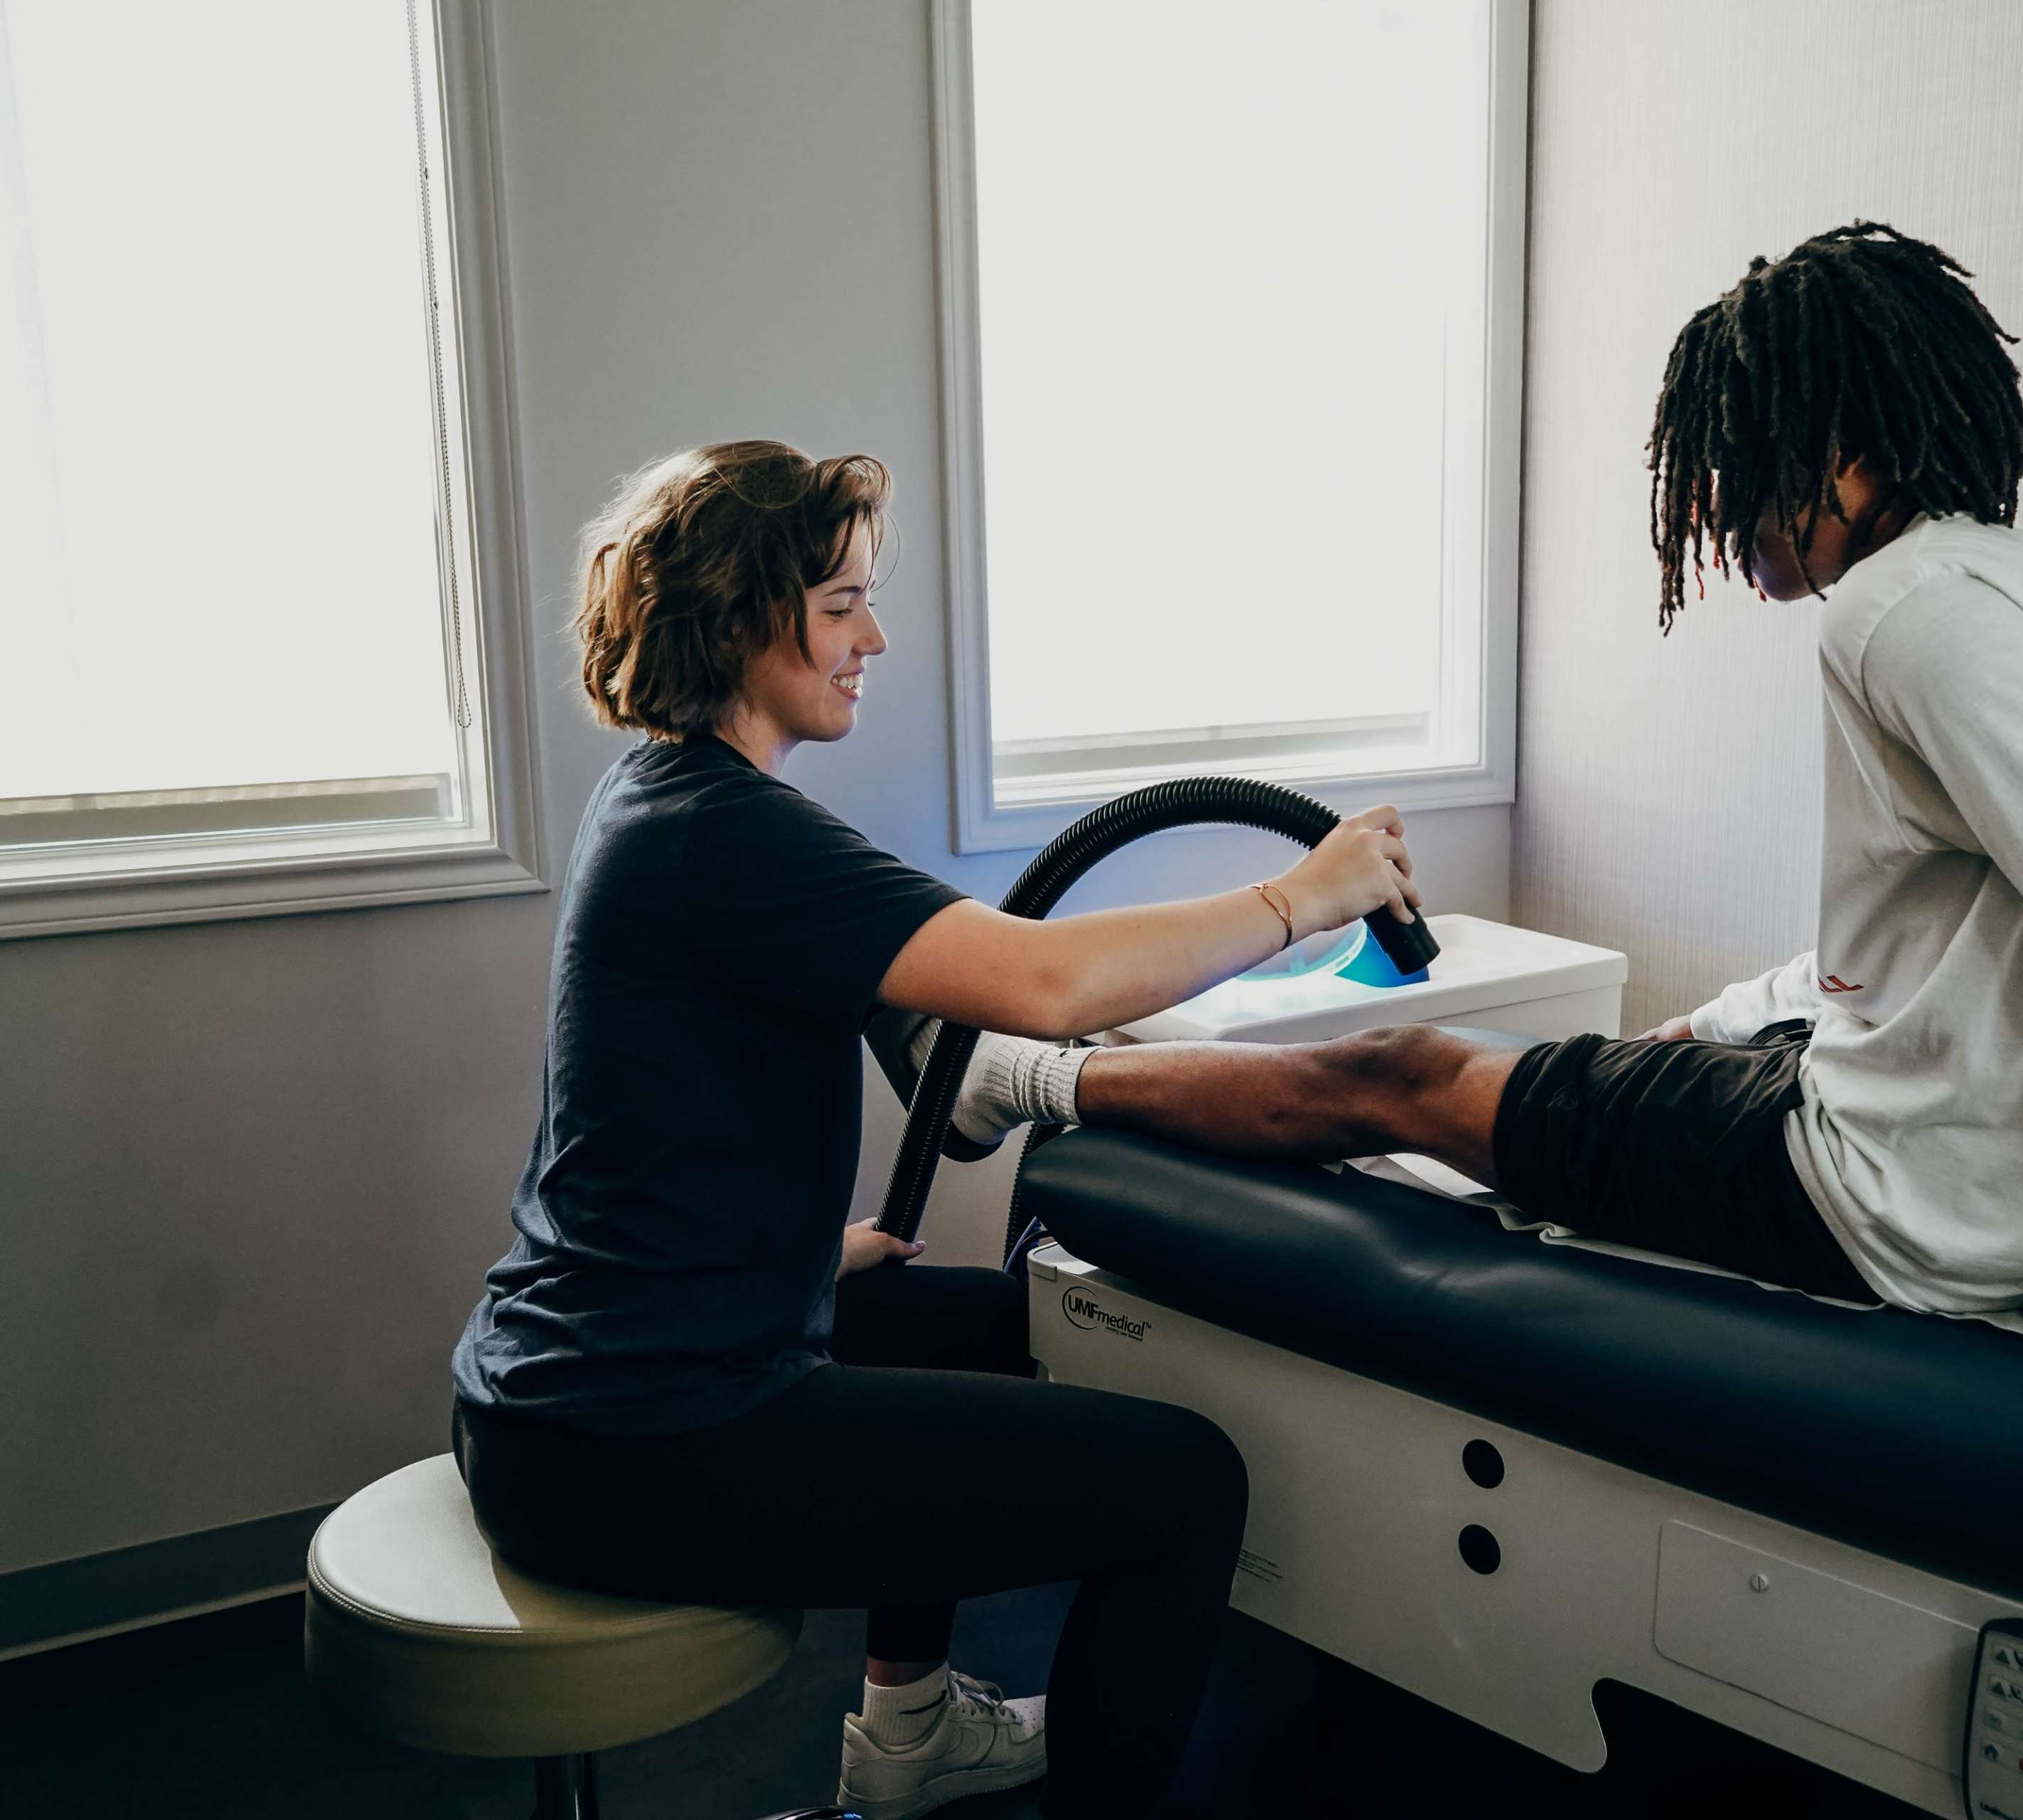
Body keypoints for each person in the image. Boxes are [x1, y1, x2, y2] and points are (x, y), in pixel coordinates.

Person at [918, 224, 2023, 1616]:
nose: (1707, 511)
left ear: (1835, 449)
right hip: (2012, 1155)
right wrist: (1718, 1025)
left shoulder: (1901, 610)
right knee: (1600, 1050)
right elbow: (1966, 938)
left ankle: (1025, 1079)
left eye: (1727, 459)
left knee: (1407, 1074)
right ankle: (1118, 1058)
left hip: (1899, 1199)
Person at [448, 441, 1421, 1820]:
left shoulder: (667, 798)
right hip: (641, 1440)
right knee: (1188, 1485)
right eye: (841, 603)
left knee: (973, 1319)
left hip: (568, 1389)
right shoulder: (728, 832)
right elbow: (1046, 977)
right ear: (741, 615)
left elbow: (708, 1100)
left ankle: (908, 1734)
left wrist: (785, 1256)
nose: (873, 636)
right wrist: (1301, 894)